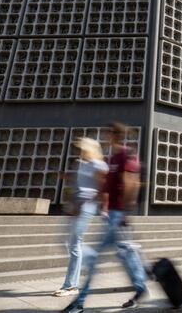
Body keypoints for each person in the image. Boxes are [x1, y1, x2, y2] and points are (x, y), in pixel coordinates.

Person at [63, 123, 147, 313]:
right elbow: (104, 188)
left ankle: (79, 303)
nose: (104, 137)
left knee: (95, 257)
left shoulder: (126, 155)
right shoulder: (112, 158)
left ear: (113, 135)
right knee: (126, 254)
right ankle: (141, 287)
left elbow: (132, 184)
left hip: (118, 216)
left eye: (106, 134)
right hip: (112, 216)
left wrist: (123, 212)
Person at [54, 137, 108, 297]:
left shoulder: (99, 165)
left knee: (75, 245)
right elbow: (79, 184)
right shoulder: (81, 164)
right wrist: (67, 179)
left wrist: (99, 207)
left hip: (86, 205)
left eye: (82, 149)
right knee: (66, 242)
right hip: (76, 204)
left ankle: (70, 286)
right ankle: (92, 259)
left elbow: (103, 188)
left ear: (90, 149)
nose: (80, 152)